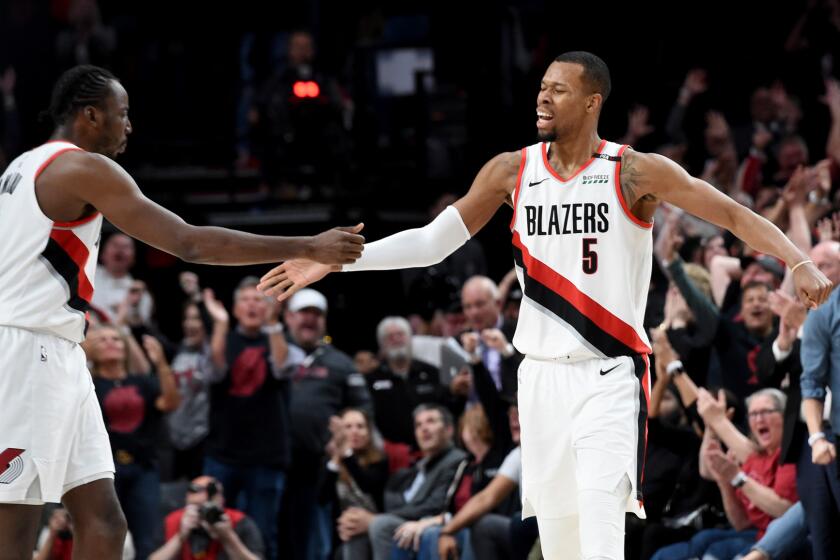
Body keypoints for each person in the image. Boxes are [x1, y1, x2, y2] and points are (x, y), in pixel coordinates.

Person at [259, 51, 832, 559]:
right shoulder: (513, 169)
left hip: (609, 372)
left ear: (591, 101)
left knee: (602, 535)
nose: (543, 95)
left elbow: (732, 213)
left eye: (558, 88)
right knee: (560, 545)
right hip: (538, 380)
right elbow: (434, 241)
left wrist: (797, 259)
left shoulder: (632, 170)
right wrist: (335, 260)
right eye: (541, 87)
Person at [0, 64, 363, 560]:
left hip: (56, 349)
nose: (128, 126)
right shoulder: (83, 166)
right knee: (14, 525)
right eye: (121, 114)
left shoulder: (21, 166)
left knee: (105, 521)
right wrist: (307, 245)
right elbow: (187, 242)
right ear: (89, 114)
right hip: (26, 351)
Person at [150, 475, 264, 560]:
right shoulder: (173, 521)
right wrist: (180, 537)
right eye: (195, 507)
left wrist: (228, 537)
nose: (201, 514)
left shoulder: (239, 522)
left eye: (206, 507)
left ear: (221, 501)